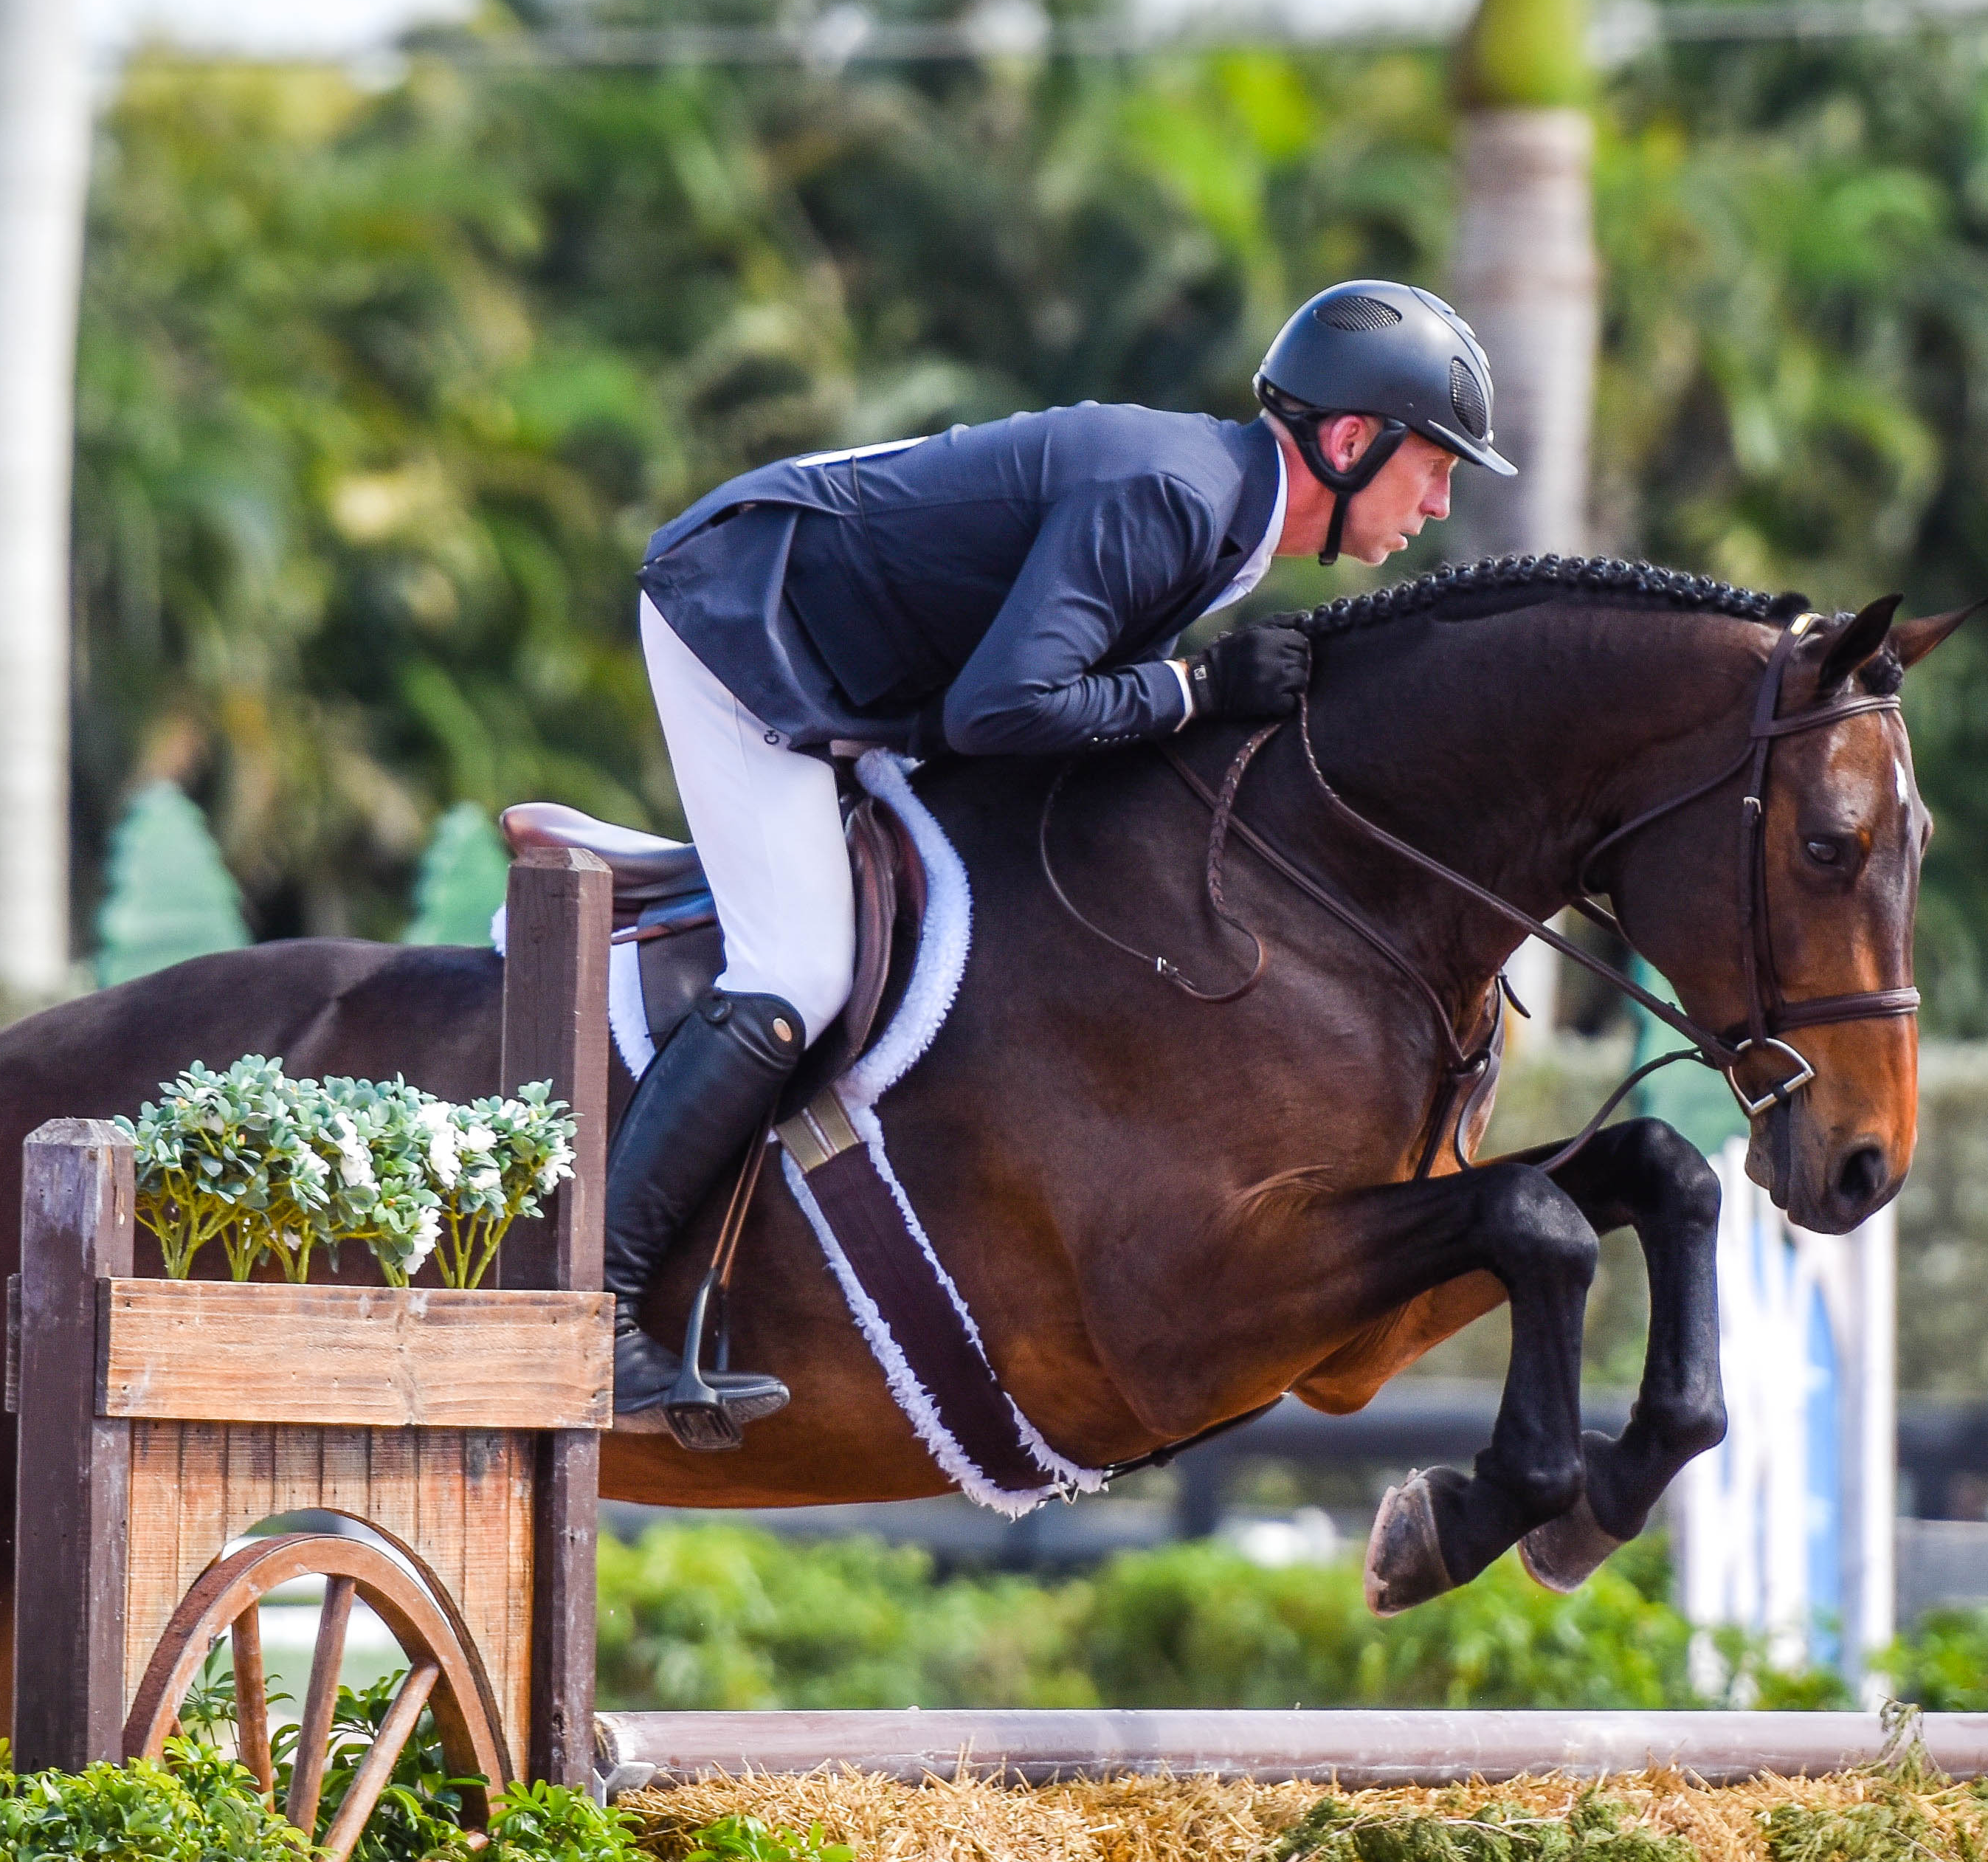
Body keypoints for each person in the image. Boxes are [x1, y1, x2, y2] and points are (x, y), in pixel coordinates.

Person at [607, 279, 1510, 1440]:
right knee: (800, 971)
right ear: (1349, 440)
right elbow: (1005, 709)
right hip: (743, 633)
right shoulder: (1176, 499)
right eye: (1436, 464)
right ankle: (597, 1310)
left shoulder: (1222, 515)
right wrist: (1195, 688)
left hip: (867, 674)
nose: (1439, 503)